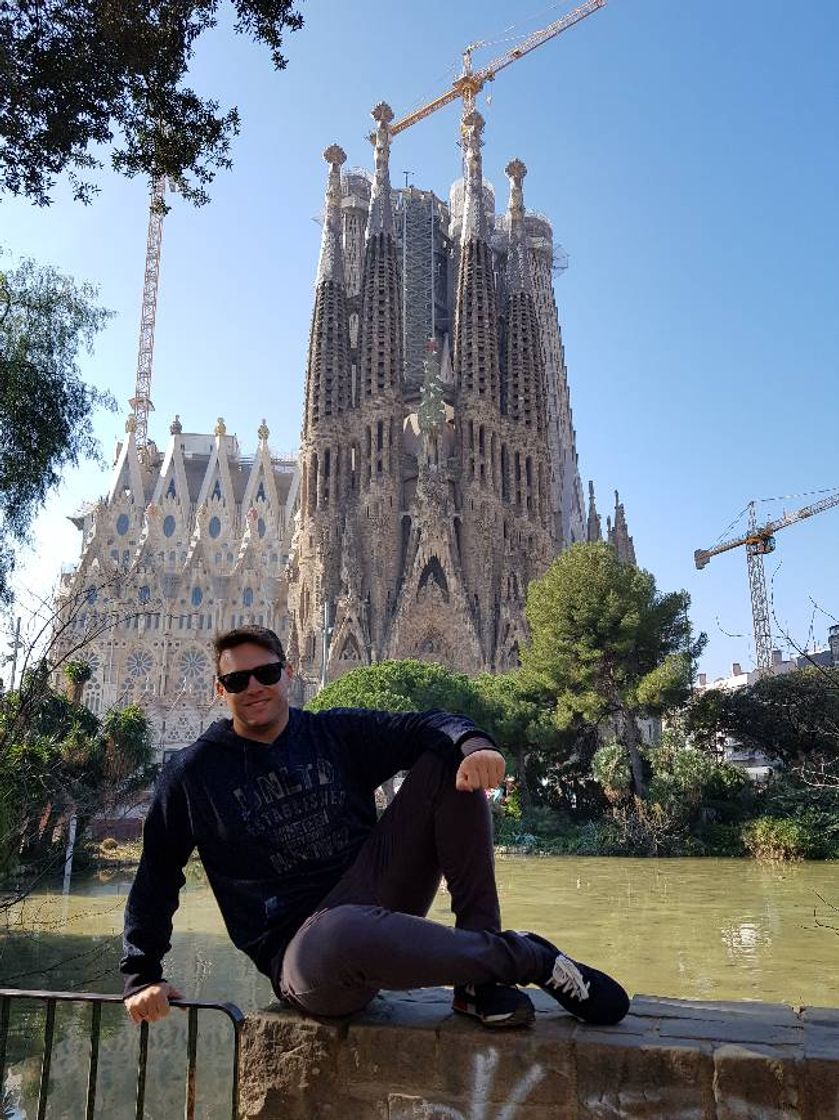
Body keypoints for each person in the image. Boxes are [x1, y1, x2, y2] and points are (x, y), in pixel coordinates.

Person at [122, 625, 629, 1030]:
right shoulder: (195, 771)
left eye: (265, 673)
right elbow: (158, 873)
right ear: (220, 691)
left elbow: (422, 724)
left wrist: (474, 743)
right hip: (302, 951)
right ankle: (530, 958)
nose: (253, 688)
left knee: (444, 763)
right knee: (342, 930)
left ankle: (478, 978)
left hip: (372, 891)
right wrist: (141, 975)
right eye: (237, 681)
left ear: (287, 674)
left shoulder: (331, 732)